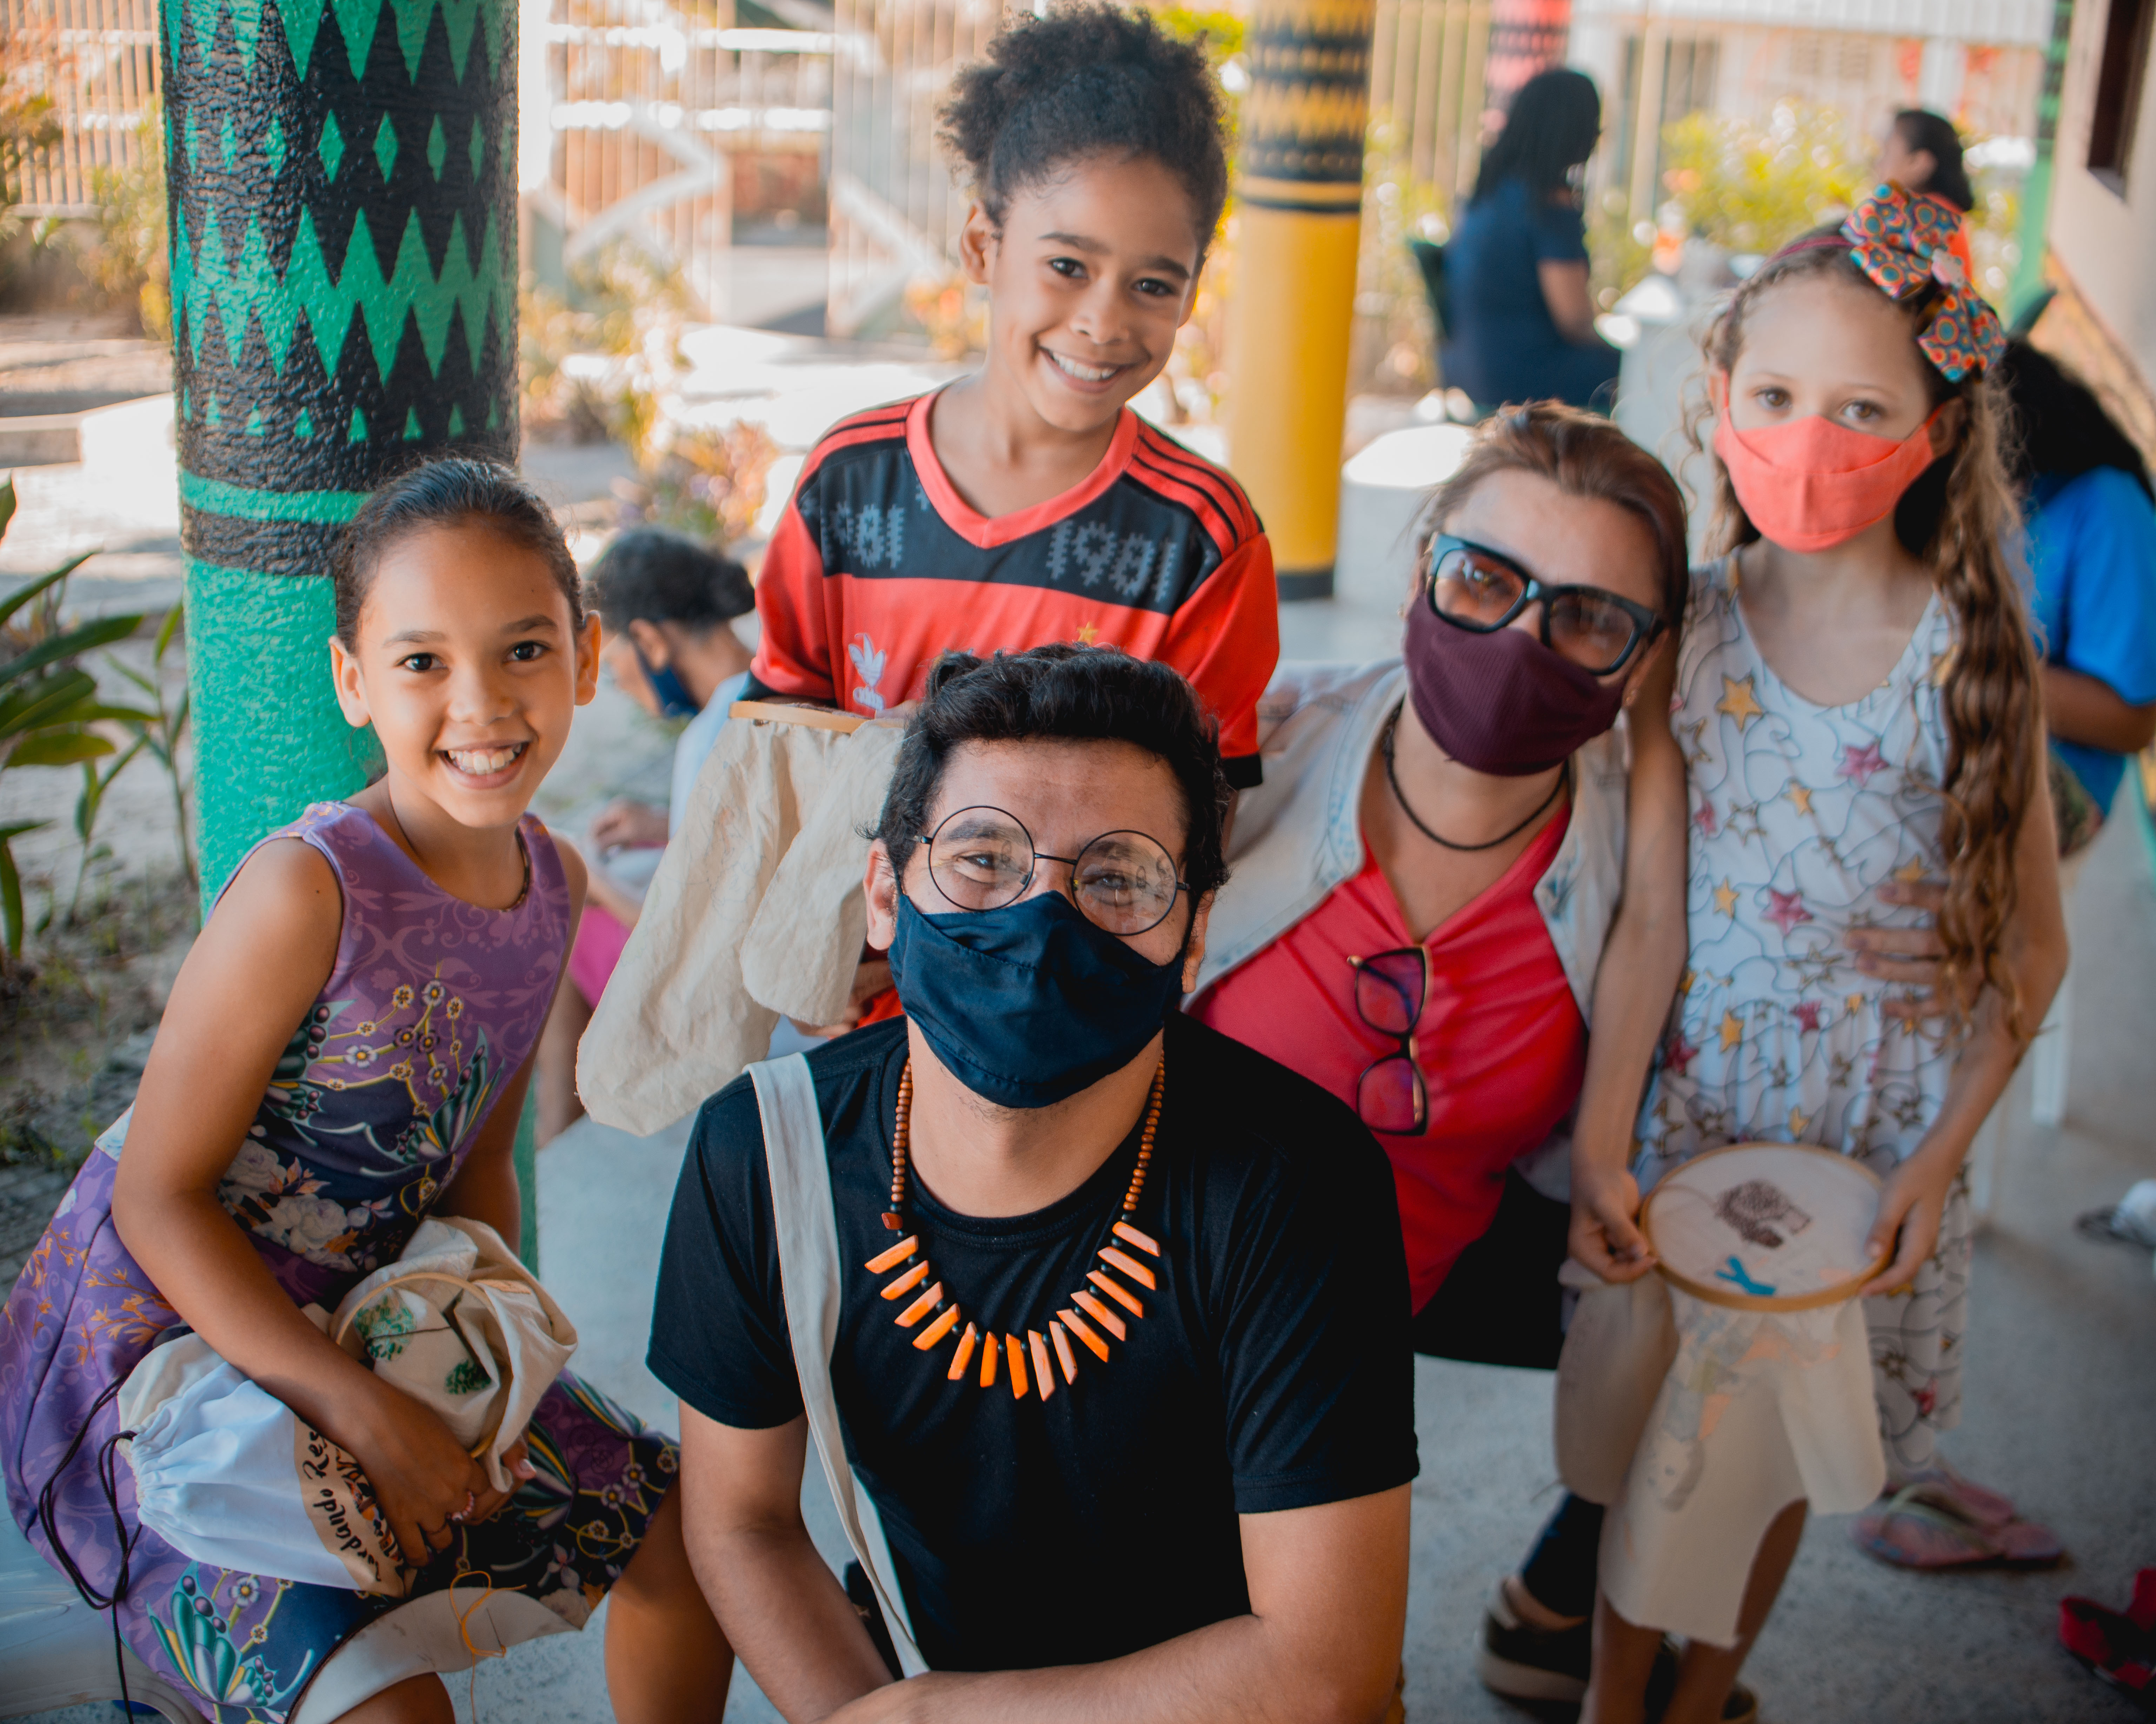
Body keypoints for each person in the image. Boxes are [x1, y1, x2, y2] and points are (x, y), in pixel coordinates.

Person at [0, 462, 732, 1723]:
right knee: (389, 1704)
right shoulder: (307, 888)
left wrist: (487, 1364)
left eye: (522, 649)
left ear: (586, 655)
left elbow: (480, 1164)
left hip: (374, 1328)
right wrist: (370, 1416)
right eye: (422, 661)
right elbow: (156, 1201)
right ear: (353, 679)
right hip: (160, 1376)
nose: (480, 702)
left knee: (681, 1536)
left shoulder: (551, 883)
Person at [651, 646, 1418, 1722]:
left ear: (1193, 933)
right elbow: (741, 1521)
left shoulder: (1294, 1183)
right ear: (884, 891)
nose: (1040, 920)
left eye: (1117, 877)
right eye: (982, 857)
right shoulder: (767, 1154)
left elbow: (1321, 1669)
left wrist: (927, 1719)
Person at [1583, 186, 2068, 1724]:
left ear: (1933, 431)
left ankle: (1700, 1699)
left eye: (1859, 408)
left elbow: (2031, 951)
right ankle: (1607, 1702)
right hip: (1693, 1107)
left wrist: (1934, 1161)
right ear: (1719, 397)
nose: (1809, 438)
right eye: (1776, 396)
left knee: (1774, 1454)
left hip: (1874, 1132)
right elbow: (1649, 917)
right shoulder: (1683, 635)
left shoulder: (1970, 653)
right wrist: (1599, 1139)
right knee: (1651, 1434)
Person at [1189, 402, 1715, 1713]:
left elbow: (1660, 929)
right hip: (1174, 1312)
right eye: (1482, 578)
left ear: (1640, 660)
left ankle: (1565, 1601)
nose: (1519, 640)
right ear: (1421, 563)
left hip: (1401, 1300)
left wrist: (1603, 1165)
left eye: (1586, 618)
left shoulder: (1626, 846)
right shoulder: (1268, 744)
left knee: (1739, 1296)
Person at [741, 4, 1278, 790]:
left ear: (1192, 295)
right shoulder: (849, 482)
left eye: (1152, 285)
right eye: (1067, 267)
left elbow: (1205, 808)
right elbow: (778, 744)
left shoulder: (1200, 540)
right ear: (981, 247)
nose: (1103, 322)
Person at [534, 526, 758, 1143]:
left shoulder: (711, 737)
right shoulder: (771, 688)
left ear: (652, 641)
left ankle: (559, 1119)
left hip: (726, 1002)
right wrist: (659, 824)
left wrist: (591, 879)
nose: (627, 691)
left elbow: (688, 932)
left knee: (559, 910)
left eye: (615, 670)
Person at [1997, 338, 2156, 854]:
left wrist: (1968, 670)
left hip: (2055, 782)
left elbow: (2133, 723)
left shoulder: (2106, 504)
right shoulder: (1972, 502)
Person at [1439, 68, 1623, 415]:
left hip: (1470, 369)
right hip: (1523, 381)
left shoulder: (1487, 193)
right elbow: (1574, 321)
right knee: (1641, 374)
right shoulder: (1548, 205)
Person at [1877, 108, 1977, 279]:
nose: (1878, 163)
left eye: (1887, 152)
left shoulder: (1925, 218)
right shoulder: (1941, 213)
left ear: (1918, 163)